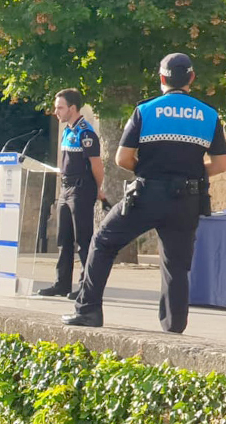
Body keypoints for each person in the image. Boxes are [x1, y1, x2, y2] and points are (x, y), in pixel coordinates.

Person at [64, 53, 226, 332]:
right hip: (187, 199)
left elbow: (123, 159)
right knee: (176, 264)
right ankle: (174, 326)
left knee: (103, 241)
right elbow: (220, 163)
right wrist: (193, 175)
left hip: (148, 194)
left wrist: (149, 171)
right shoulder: (209, 115)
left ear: (162, 79)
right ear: (191, 79)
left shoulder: (146, 111)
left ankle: (88, 310)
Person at [38, 88, 105, 299]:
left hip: (81, 188)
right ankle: (61, 283)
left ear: (73, 108)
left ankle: (86, 286)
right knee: (63, 239)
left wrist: (97, 189)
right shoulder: (68, 130)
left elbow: (97, 165)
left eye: (60, 107)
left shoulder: (86, 132)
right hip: (65, 188)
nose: (56, 111)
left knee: (83, 240)